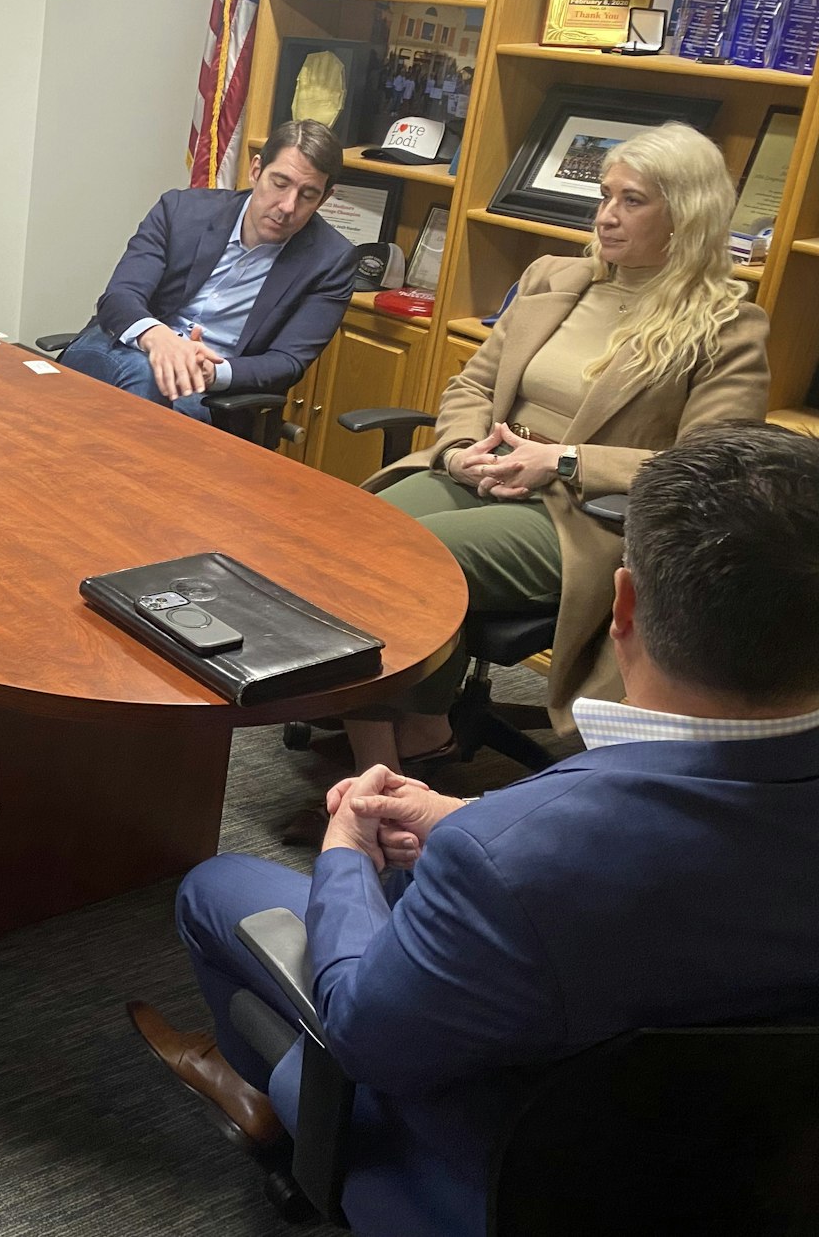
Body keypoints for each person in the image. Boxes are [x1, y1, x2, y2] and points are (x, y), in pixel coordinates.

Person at [135, 423, 819, 1237]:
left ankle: (279, 1115)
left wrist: (347, 855)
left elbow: (364, 1033)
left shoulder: (518, 855)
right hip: (767, 1173)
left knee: (214, 888)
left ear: (622, 605)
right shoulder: (517, 845)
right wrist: (466, 822)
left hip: (503, 1188)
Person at [342, 122, 769, 773]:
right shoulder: (554, 279)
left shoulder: (727, 327)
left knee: (409, 562)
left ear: (686, 215)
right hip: (485, 467)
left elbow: (711, 467)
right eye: (604, 196)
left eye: (633, 201)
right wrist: (460, 448)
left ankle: (388, 763)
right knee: (346, 537)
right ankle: (410, 738)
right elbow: (472, 383)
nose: (606, 216)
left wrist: (562, 460)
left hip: (580, 512)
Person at [58, 119, 357, 419]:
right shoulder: (181, 211)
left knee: (151, 396)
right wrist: (160, 339)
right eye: (280, 184)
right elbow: (120, 296)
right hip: (122, 347)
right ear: (256, 171)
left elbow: (287, 361)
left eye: (307, 195)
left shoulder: (330, 261)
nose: (288, 206)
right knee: (146, 375)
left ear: (324, 199)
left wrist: (214, 372)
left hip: (203, 389)